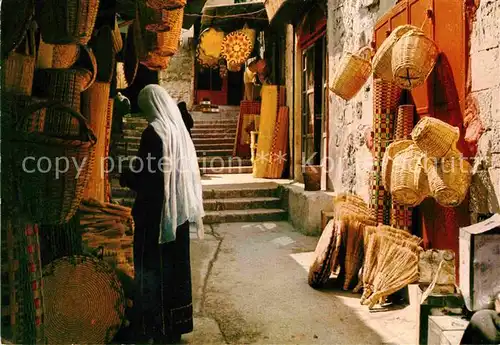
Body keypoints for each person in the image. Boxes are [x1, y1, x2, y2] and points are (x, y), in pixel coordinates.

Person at [120, 85, 205, 344]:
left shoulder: (153, 133)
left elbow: (146, 178)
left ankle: (150, 327)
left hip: (153, 215)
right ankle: (175, 326)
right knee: (175, 268)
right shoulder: (177, 131)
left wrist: (125, 177)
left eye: (145, 108)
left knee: (150, 267)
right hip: (176, 216)